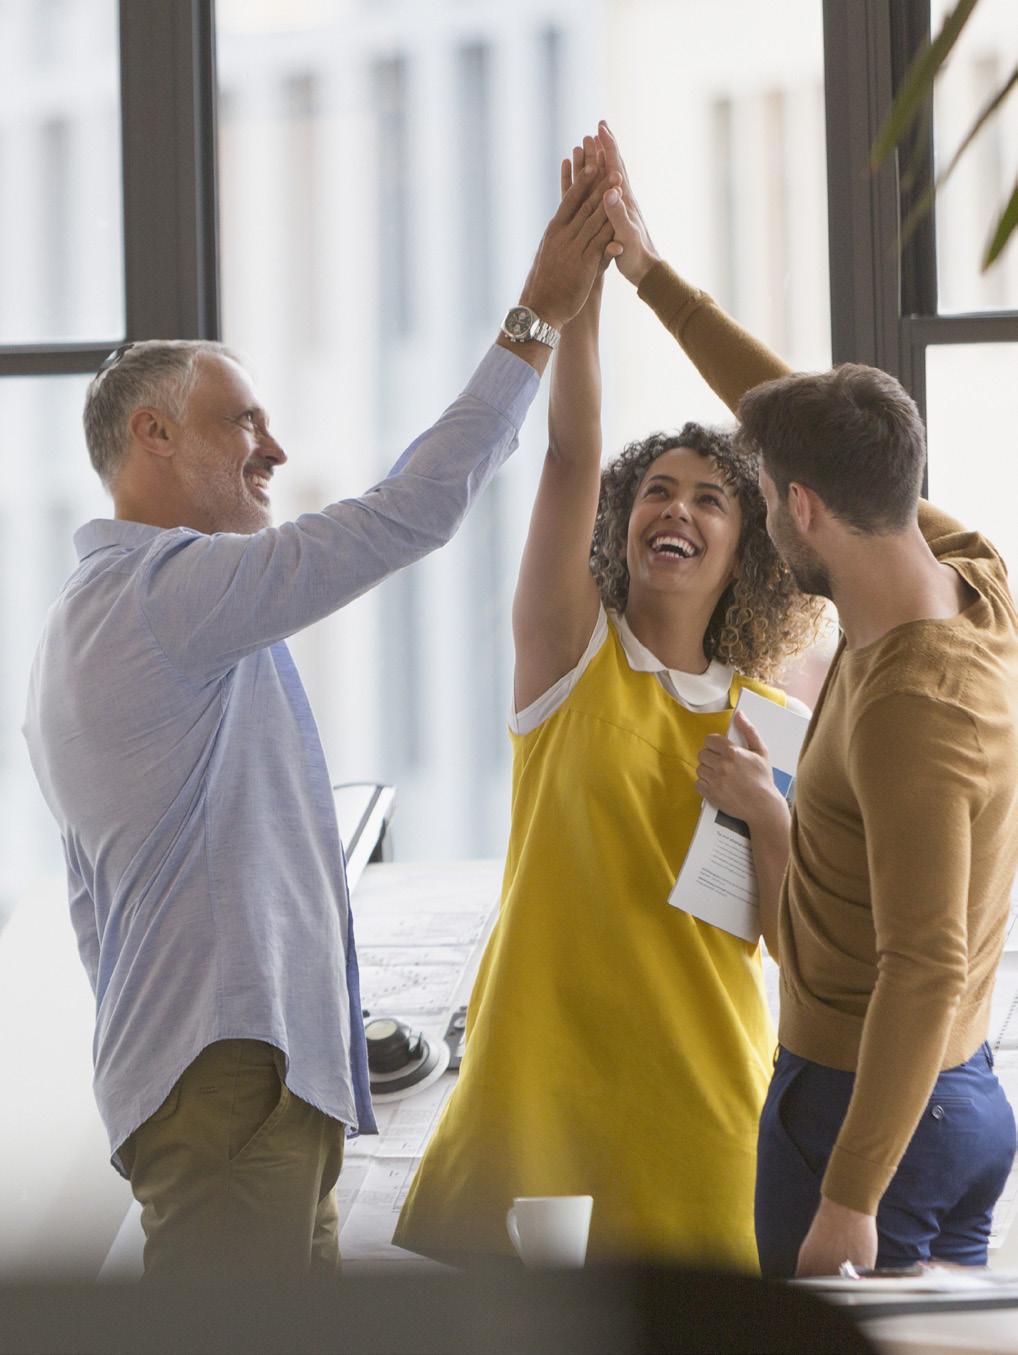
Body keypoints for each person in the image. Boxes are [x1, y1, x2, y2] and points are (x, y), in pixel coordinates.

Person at [21, 165, 619, 1284]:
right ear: (152, 435)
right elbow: (408, 513)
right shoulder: (163, 596)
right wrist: (538, 314)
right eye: (242, 420)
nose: (275, 450)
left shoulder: (103, 619)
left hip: (232, 1083)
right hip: (227, 1080)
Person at [597, 121, 1018, 1277]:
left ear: (805, 511)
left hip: (866, 1117)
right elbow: (783, 409)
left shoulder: (908, 709)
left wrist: (845, 1197)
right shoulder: (968, 570)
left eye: (769, 506)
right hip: (956, 1100)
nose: (767, 530)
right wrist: (650, 280)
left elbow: (923, 963)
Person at [393, 138, 823, 1269]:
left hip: (704, 1100)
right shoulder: (568, 656)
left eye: (710, 499)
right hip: (538, 1097)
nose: (674, 508)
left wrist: (763, 806)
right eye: (658, 492)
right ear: (625, 523)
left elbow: (793, 940)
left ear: (747, 550)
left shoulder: (770, 718)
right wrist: (582, 296)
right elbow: (570, 453)